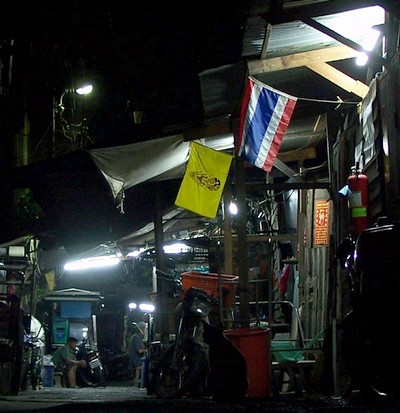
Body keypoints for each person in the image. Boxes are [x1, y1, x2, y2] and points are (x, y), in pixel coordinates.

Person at [128, 321, 146, 387]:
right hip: (136, 360)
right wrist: (146, 350)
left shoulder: (138, 337)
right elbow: (140, 351)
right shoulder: (136, 337)